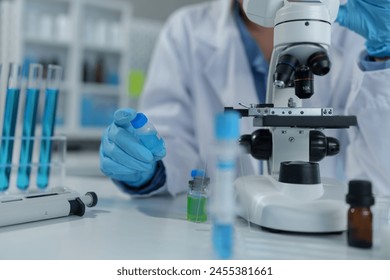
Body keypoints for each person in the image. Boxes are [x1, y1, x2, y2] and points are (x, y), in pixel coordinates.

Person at [100, 0, 390, 197]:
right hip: (220, 227)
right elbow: (171, 139)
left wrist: (384, 51)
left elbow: (381, 165)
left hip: (327, 228)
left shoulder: (355, 32)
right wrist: (148, 166)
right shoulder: (185, 31)